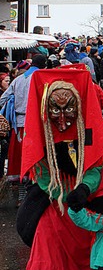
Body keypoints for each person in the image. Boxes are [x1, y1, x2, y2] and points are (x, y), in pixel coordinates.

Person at [17, 68, 103, 270]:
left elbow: (96, 165)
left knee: (85, 249)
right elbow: (40, 170)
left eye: (68, 110)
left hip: (83, 199)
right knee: (51, 251)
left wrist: (84, 188)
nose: (61, 118)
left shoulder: (87, 130)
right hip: (52, 201)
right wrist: (56, 191)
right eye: (55, 110)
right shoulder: (44, 134)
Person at [0, 54, 47, 201]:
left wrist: (13, 106)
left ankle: (22, 195)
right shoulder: (42, 78)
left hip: (19, 125)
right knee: (37, 158)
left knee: (20, 159)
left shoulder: (18, 80)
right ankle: (32, 195)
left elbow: (2, 99)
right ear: (44, 65)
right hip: (37, 125)